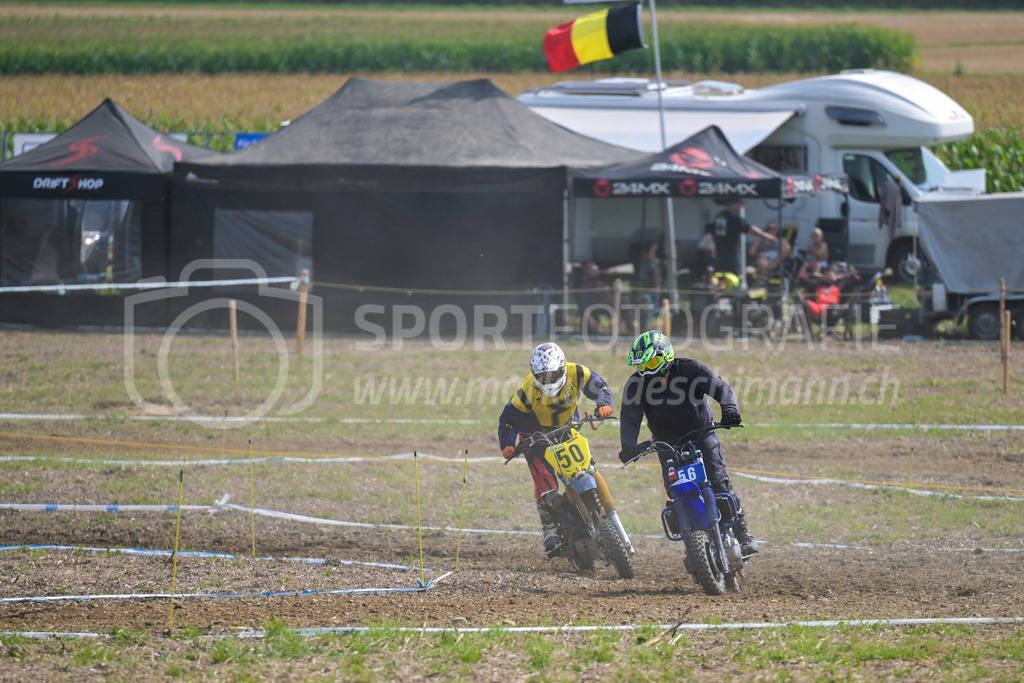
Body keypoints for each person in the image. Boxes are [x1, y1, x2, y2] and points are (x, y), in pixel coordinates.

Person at [617, 331, 759, 555]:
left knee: (719, 482)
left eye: (652, 363)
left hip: (702, 436)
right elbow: (630, 419)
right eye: (642, 366)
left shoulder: (691, 368)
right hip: (667, 445)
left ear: (666, 357)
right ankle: (692, 545)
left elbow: (722, 388)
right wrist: (628, 447)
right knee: (676, 494)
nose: (647, 371)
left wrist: (730, 410)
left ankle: (742, 532)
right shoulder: (635, 385)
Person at [498, 342, 615, 554]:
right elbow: (508, 420)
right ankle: (550, 529)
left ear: (562, 367)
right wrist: (507, 444)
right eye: (543, 376)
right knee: (546, 483)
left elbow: (600, 386)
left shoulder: (577, 372)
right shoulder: (525, 390)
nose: (549, 380)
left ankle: (607, 513)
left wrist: (603, 403)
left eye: (553, 375)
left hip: (568, 430)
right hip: (536, 438)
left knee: (587, 467)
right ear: (534, 374)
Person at [712, 197, 775, 278]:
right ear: (734, 204)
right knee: (736, 276)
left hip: (720, 251)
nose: (741, 206)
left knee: (720, 275)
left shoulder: (719, 216)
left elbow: (713, 234)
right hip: (732, 251)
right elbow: (749, 228)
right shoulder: (734, 217)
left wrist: (717, 246)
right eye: (740, 204)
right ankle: (734, 290)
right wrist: (767, 236)